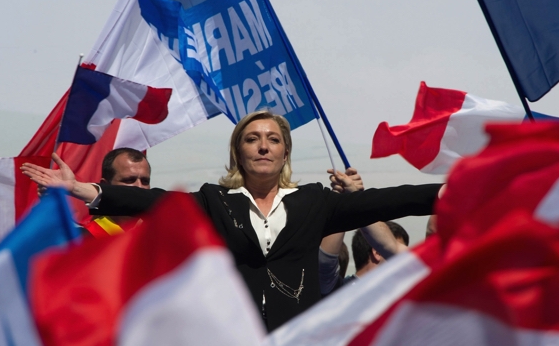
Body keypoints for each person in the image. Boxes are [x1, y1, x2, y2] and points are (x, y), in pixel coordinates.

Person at [22, 111, 442, 332]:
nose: (263, 146)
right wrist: (83, 189)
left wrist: (451, 190)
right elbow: (152, 201)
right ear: (238, 153)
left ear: (285, 153)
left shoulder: (314, 201)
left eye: (273, 139)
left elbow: (391, 199)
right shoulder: (215, 200)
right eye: (252, 139)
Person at [82, 148, 151, 238]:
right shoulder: (83, 240)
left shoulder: (160, 234)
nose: (139, 187)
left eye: (145, 181)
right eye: (129, 180)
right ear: (105, 186)